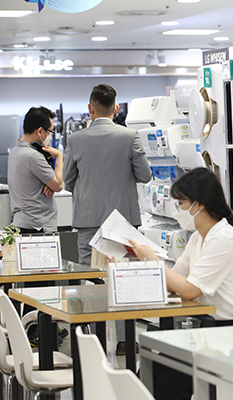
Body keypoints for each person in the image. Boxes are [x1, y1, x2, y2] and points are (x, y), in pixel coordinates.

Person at [129, 167, 233, 400]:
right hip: (212, 329)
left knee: (170, 382)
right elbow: (175, 280)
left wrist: (154, 262)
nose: (178, 210)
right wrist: (143, 262)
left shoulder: (224, 239)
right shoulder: (198, 238)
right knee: (149, 371)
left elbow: (190, 290)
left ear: (199, 204)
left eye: (181, 203)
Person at [63, 84, 152, 352]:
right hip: (122, 221)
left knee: (90, 278)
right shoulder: (129, 136)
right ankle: (125, 340)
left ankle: (93, 341)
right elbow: (145, 175)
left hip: (87, 220)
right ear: (116, 108)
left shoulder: (75, 139)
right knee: (124, 277)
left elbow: (68, 180)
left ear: (90, 109)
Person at [7, 106, 63, 233]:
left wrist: (48, 182)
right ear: (40, 131)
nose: (49, 136)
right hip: (37, 226)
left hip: (22, 222)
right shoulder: (33, 156)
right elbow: (58, 185)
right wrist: (59, 157)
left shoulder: (15, 151)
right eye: (49, 132)